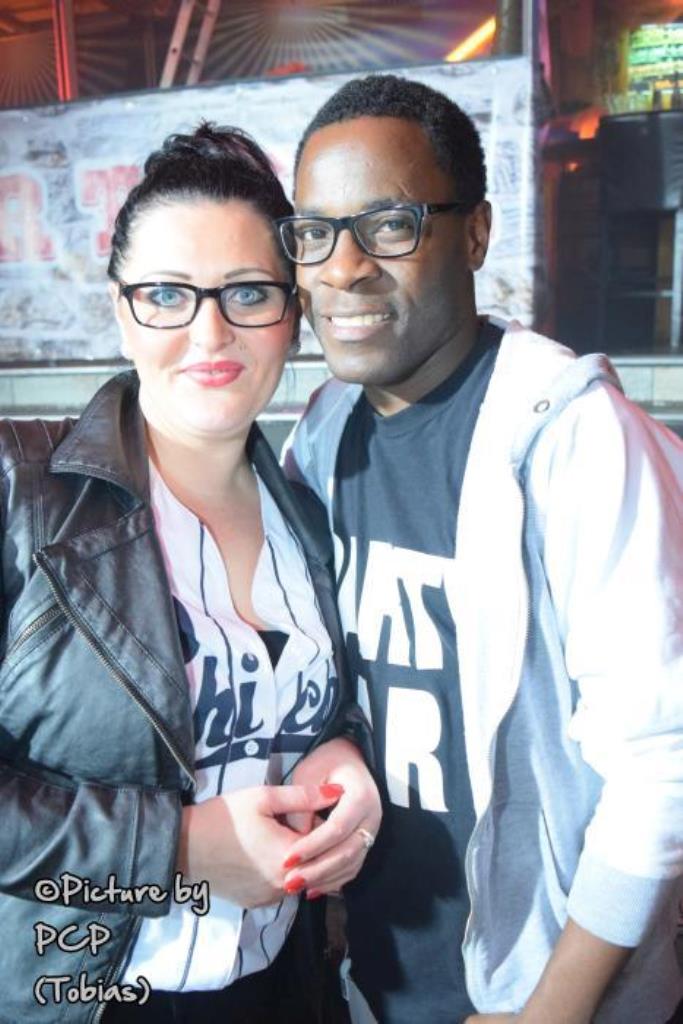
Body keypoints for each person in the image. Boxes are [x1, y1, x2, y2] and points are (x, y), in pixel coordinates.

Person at [280, 74, 683, 1024]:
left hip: (547, 988)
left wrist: (552, 1010)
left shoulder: (571, 438)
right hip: (378, 976)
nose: (342, 268)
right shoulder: (322, 435)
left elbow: (659, 760)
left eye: (389, 225)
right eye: (314, 232)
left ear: (473, 234)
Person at [0, 122, 381, 1024]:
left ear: (292, 314)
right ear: (122, 309)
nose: (209, 331)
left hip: (282, 985)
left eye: (247, 293)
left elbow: (314, 704)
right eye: (167, 294)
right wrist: (173, 849)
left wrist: (340, 752)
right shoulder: (22, 491)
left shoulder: (310, 510)